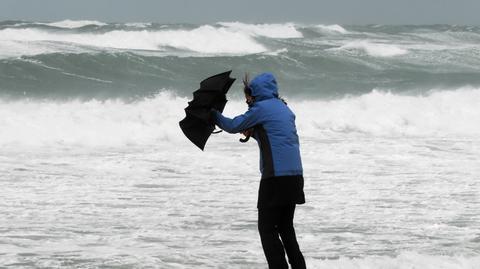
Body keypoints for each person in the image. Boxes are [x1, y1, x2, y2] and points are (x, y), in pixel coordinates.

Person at [212, 72, 307, 269]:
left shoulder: (260, 108)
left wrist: (211, 113)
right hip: (295, 177)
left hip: (275, 179)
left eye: (247, 96)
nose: (246, 101)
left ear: (255, 93)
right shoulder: (284, 108)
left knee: (266, 229)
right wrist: (254, 132)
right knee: (286, 228)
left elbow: (231, 125)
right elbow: (275, 136)